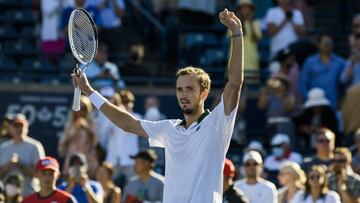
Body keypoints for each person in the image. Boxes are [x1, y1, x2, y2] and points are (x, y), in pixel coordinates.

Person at [72, 8, 244, 203]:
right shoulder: (168, 128)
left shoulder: (217, 123)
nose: (183, 95)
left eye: (189, 89)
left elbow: (235, 84)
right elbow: (128, 124)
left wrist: (236, 32)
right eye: (180, 90)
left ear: (204, 93)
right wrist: (89, 91)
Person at [0, 114, 45, 195]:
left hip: (29, 195)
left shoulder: (35, 146)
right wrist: (9, 165)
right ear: (10, 128)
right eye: (15, 126)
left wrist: (20, 165)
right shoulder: (3, 148)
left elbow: (42, 174)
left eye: (21, 126)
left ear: (26, 127)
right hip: (7, 197)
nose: (19, 129)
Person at [300, 34, 345, 109]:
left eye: (329, 43)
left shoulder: (341, 62)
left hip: (333, 104)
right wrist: (307, 99)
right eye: (325, 42)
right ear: (319, 45)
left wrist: (342, 100)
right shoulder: (310, 62)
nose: (327, 45)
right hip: (314, 104)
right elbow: (303, 83)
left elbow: (345, 82)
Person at [234, 0, 262, 72]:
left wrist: (250, 22)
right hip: (236, 60)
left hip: (251, 61)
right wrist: (240, 21)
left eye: (247, 8)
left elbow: (255, 39)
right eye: (243, 8)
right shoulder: (233, 23)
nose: (245, 10)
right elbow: (232, 37)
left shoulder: (256, 23)